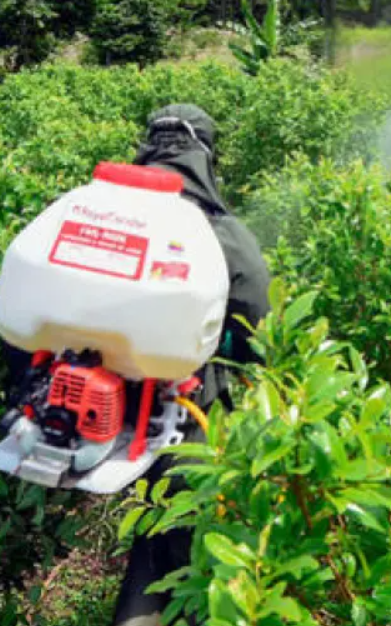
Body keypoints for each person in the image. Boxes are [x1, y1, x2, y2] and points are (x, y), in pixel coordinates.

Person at [108, 104, 271, 626]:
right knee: (192, 557)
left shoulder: (105, 211)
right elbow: (259, 325)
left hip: (102, 422)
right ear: (205, 155)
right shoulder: (215, 229)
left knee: (154, 541)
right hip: (184, 420)